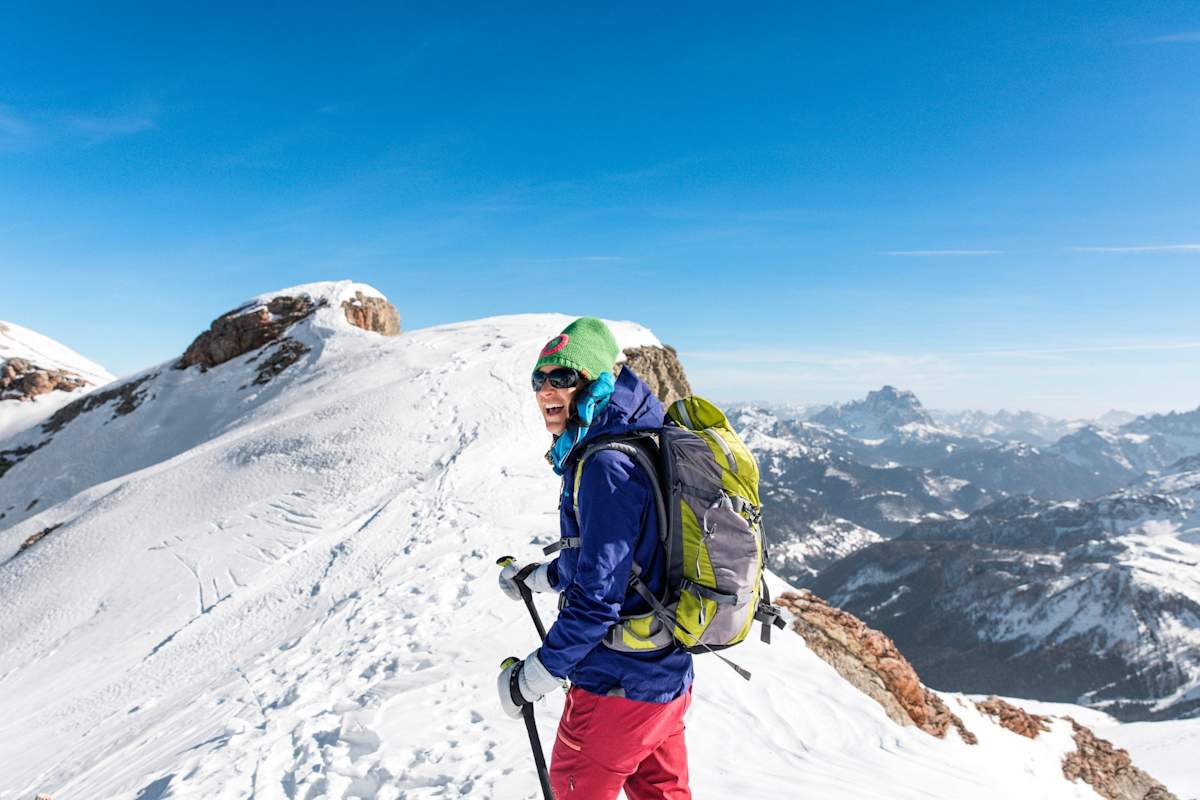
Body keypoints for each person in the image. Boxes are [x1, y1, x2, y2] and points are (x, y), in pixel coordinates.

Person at [497, 316, 694, 799]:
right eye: (539, 378)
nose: (547, 388)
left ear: (595, 382)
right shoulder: (640, 438)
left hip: (615, 688)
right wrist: (538, 577)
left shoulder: (606, 464)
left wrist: (535, 675)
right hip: (664, 677)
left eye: (563, 377)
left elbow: (596, 600)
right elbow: (616, 559)